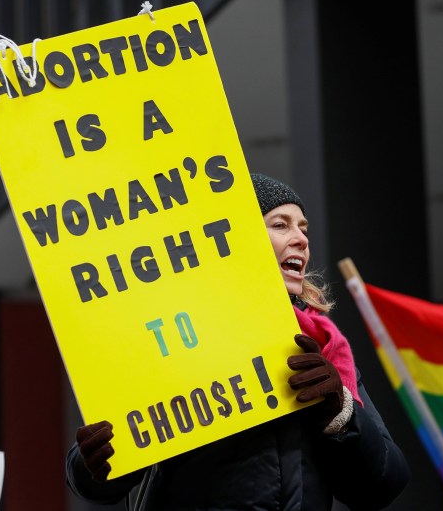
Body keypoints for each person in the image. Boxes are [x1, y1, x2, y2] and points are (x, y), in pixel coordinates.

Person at [66, 173, 411, 510]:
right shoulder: (176, 338)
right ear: (233, 240)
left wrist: (341, 416)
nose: (302, 240)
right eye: (280, 225)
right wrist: (92, 462)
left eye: (303, 229)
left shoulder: (321, 350)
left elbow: (384, 485)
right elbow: (97, 484)